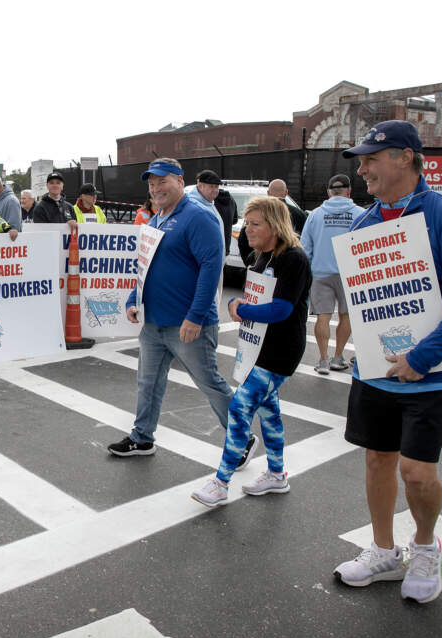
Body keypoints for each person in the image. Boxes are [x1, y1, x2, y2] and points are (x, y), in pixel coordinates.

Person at [331, 120, 442, 604]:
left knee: (417, 473)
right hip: (376, 370)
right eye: (360, 161)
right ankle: (384, 550)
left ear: (406, 157)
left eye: (370, 159)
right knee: (378, 459)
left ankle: (425, 545)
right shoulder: (363, 223)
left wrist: (424, 356)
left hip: (432, 373)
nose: (362, 170)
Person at [108, 158, 235, 457]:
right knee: (148, 383)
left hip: (188, 323)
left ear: (180, 181)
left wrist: (195, 315)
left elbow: (210, 267)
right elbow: (144, 266)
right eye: (151, 184)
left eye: (162, 181)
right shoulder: (156, 219)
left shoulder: (197, 216)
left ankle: (240, 436)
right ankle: (142, 437)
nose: (155, 188)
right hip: (154, 323)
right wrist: (132, 300)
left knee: (211, 384)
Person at [191, 197, 312, 506]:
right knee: (269, 413)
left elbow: (282, 309)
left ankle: (221, 483)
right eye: (246, 223)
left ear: (275, 225)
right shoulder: (263, 257)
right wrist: (239, 306)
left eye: (255, 224)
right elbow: (257, 301)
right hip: (258, 347)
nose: (247, 230)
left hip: (280, 350)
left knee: (239, 408)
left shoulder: (293, 259)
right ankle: (276, 475)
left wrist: (240, 308)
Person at [300, 174, 364, 374]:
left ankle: (323, 360)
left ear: (328, 192)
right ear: (349, 191)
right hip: (350, 273)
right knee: (346, 316)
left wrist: (307, 273)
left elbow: (305, 247)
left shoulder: (316, 215)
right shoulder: (361, 214)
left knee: (323, 316)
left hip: (320, 272)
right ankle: (338, 356)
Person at [214, 188, 238, 255]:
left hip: (214, 247)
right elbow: (235, 220)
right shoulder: (231, 199)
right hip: (226, 245)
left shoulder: (210, 202)